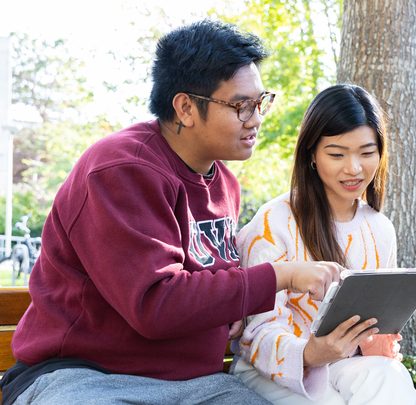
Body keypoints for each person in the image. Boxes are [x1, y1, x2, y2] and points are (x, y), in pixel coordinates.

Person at [0, 20, 341, 405]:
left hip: (197, 384)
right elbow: (155, 305)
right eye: (241, 105)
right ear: (185, 107)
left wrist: (233, 309)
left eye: (260, 102)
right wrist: (282, 276)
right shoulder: (120, 171)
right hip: (87, 377)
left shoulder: (223, 182)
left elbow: (211, 288)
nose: (256, 118)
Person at [231, 84, 416, 404]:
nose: (354, 168)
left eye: (366, 152)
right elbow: (255, 335)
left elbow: (375, 318)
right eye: (337, 154)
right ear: (312, 155)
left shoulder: (380, 228)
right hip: (275, 373)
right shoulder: (274, 222)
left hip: (344, 366)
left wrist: (375, 342)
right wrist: (311, 352)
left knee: (391, 375)